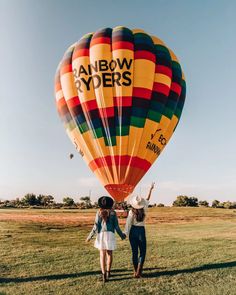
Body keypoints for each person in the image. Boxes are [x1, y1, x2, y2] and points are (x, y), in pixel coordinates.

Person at [86, 196, 126, 283]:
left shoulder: (98, 212)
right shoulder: (113, 213)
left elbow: (95, 226)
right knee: (109, 254)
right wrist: (122, 235)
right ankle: (108, 273)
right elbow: (116, 226)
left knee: (102, 255)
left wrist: (90, 236)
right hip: (110, 235)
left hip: (101, 235)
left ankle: (103, 275)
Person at [124, 182, 155, 278]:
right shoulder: (145, 209)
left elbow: (128, 224)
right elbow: (148, 199)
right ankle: (139, 272)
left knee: (134, 252)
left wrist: (125, 233)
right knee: (142, 252)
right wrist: (151, 189)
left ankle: (135, 271)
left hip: (133, 231)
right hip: (141, 231)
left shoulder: (131, 212)